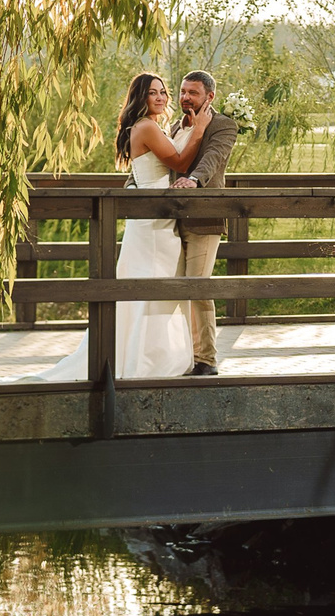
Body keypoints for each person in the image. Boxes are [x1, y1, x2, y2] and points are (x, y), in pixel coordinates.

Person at [23, 72, 196, 383]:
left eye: (163, 92)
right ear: (139, 98)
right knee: (151, 285)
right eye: (152, 93)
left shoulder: (149, 126)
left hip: (154, 217)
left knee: (152, 284)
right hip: (152, 220)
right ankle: (143, 359)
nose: (161, 97)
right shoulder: (145, 127)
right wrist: (200, 129)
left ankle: (148, 352)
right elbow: (181, 163)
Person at [169, 70, 240, 376]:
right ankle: (184, 354)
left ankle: (207, 359)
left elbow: (213, 157)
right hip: (170, 219)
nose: (185, 97)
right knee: (174, 290)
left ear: (210, 97)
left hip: (205, 217)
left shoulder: (223, 125)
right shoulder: (175, 125)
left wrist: (194, 180)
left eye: (193, 93)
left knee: (198, 286)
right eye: (183, 91)